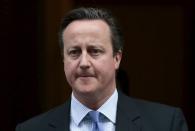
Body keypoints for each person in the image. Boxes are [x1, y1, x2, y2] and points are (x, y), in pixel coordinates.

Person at [16, 7, 188, 131]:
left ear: (117, 58)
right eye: (74, 52)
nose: (84, 62)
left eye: (95, 51)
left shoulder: (165, 124)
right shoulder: (31, 128)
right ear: (63, 59)